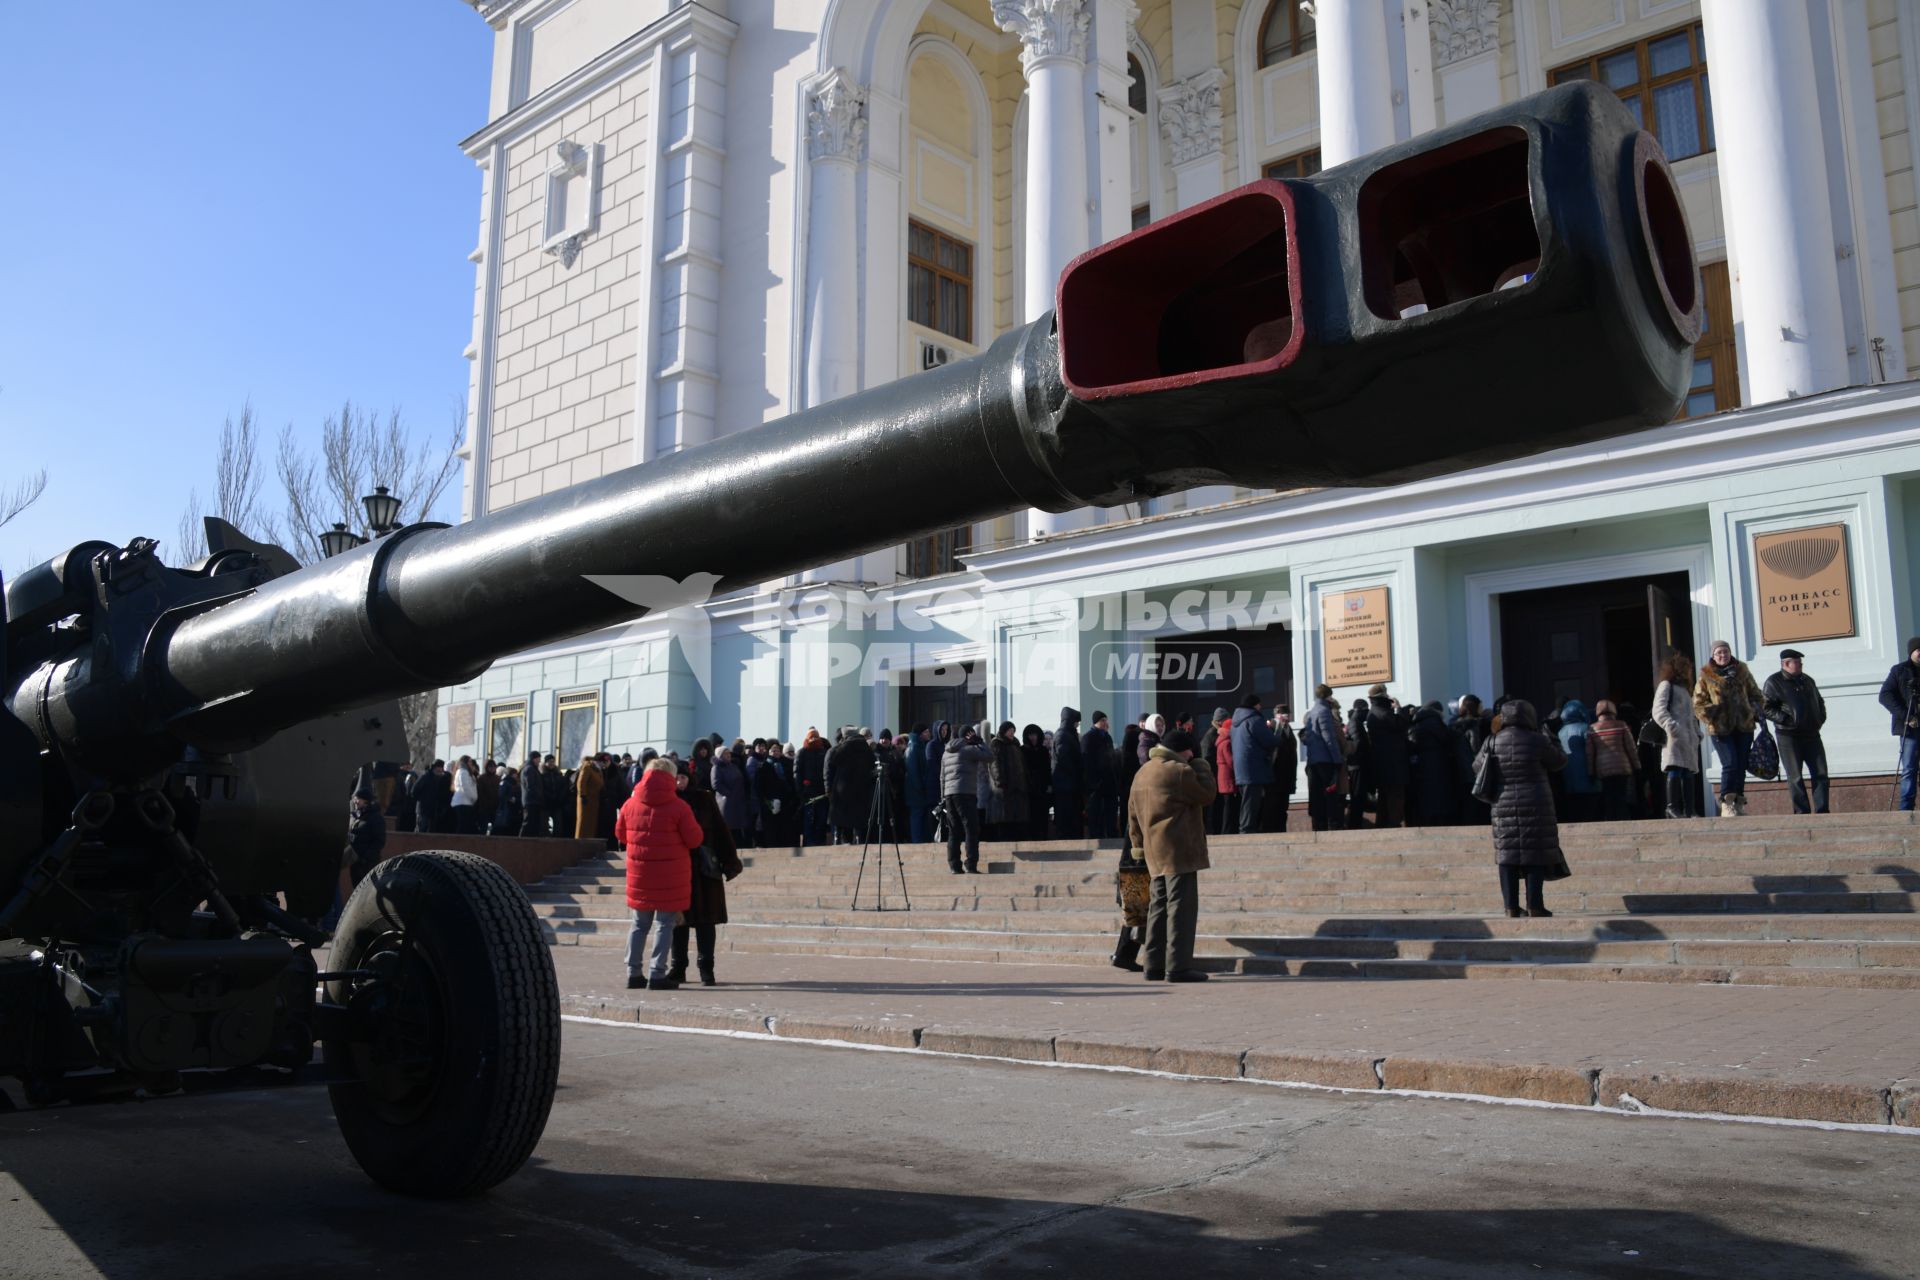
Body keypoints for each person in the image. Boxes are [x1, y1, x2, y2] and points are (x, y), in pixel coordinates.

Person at [1127, 728, 1215, 982]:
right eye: (1190, 752)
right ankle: (1178, 967)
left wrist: (1138, 845)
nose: (1191, 755)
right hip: (1179, 850)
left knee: (1158, 908)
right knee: (1181, 909)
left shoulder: (1142, 772)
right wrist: (1200, 764)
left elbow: (1132, 816)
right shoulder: (1179, 771)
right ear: (1181, 750)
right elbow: (1207, 794)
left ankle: (1152, 965)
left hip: (1154, 850)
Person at [615, 758, 703, 990]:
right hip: (670, 877)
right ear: (671, 778)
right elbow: (695, 840)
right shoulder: (679, 807)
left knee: (638, 924)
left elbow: (621, 835)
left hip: (640, 875)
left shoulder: (630, 804)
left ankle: (633, 973)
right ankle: (657, 973)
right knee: (665, 924)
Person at [1484, 698, 1567, 918]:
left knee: (1507, 856)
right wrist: (1553, 739)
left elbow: (1477, 766)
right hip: (1536, 803)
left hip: (1503, 805)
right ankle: (1535, 905)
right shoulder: (1537, 740)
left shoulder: (1492, 741)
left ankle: (1510, 907)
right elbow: (1558, 762)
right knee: (1535, 854)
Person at [667, 761, 744, 986]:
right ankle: (678, 967)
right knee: (678, 923)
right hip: (678, 871)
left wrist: (730, 861)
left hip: (704, 871)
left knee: (706, 923)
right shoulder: (668, 801)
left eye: (683, 777)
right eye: (675, 778)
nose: (679, 782)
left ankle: (706, 969)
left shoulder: (704, 798)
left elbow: (721, 831)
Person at [1693, 640, 1763, 817]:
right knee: (1730, 763)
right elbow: (1698, 704)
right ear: (1713, 656)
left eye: (1725, 652)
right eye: (1719, 653)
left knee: (1740, 765)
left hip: (1744, 726)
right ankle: (1726, 802)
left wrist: (1752, 710)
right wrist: (1713, 713)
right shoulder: (1706, 676)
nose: (1722, 656)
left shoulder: (1743, 671)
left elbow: (1756, 694)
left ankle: (1738, 801)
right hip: (1720, 728)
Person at [1755, 648, 1827, 815]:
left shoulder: (1807, 680)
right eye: (1797, 662)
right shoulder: (1774, 682)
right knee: (1795, 777)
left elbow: (1820, 701)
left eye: (1800, 662)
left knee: (1821, 774)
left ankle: (1823, 810)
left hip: (1812, 734)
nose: (1800, 665)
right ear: (1786, 664)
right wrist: (1786, 720)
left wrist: (1819, 718)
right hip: (1788, 736)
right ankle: (1802, 812)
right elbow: (1766, 707)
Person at [1652, 653, 1703, 818]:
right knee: (1674, 770)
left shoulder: (1685, 691)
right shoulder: (1666, 685)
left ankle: (1690, 809)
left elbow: (1691, 715)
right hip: (1674, 738)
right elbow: (1658, 710)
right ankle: (1672, 807)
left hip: (1688, 740)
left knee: (1688, 773)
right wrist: (1671, 727)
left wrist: (1697, 733)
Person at [940, 723, 993, 872]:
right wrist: (980, 742)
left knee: (954, 830)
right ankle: (970, 864)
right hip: (965, 793)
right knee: (971, 828)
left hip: (949, 794)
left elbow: (941, 777)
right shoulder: (969, 750)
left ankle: (954, 865)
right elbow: (990, 757)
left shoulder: (946, 751)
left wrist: (943, 796)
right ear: (968, 736)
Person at [332, 788, 386, 930]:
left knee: (368, 894)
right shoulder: (356, 816)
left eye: (358, 798)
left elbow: (379, 841)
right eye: (355, 798)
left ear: (366, 800)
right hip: (355, 862)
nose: (355, 801)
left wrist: (365, 857)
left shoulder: (375, 818)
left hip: (367, 863)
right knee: (357, 892)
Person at [1878, 638, 1920, 810]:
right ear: (1911, 652)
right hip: (1910, 729)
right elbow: (1885, 696)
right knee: (1909, 768)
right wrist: (1907, 716)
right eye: (1918, 650)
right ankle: (1906, 808)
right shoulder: (1900, 671)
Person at [1359, 686, 1409, 828]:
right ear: (1383, 696)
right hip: (1393, 763)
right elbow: (1401, 724)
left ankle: (1382, 824)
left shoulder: (1375, 712)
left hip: (1383, 762)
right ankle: (1394, 824)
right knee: (1395, 796)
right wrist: (1399, 708)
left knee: (1384, 797)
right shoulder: (1383, 713)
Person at [1229, 695, 1279, 834]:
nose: (1260, 707)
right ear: (1254, 705)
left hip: (1241, 768)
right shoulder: (1254, 720)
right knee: (1251, 802)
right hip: (1254, 767)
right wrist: (1275, 731)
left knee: (1246, 800)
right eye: (1259, 704)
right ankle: (1246, 830)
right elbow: (1270, 740)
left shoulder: (1235, 723)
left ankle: (1245, 828)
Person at [1408, 701, 1461, 827]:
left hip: (1421, 765)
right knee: (1439, 796)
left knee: (1426, 796)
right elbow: (1446, 739)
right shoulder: (1436, 723)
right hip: (1438, 763)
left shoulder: (1416, 722)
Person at [1301, 685, 1346, 832]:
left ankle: (1319, 826)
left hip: (1313, 760)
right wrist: (1337, 759)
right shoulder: (1324, 711)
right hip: (1326, 760)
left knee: (1317, 795)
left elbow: (1307, 738)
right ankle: (1332, 825)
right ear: (1328, 696)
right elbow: (1329, 738)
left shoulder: (1311, 712)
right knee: (1330, 794)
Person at [1586, 700, 1639, 821]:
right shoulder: (1622, 725)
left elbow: (1590, 754)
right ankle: (1624, 820)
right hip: (1622, 767)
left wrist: (1591, 772)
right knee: (1621, 797)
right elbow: (1631, 748)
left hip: (1603, 769)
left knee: (1609, 797)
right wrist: (1637, 766)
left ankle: (1611, 821)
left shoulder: (1592, 728)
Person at [825, 725, 876, 843]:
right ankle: (858, 840)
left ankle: (837, 840)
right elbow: (872, 766)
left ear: (844, 736)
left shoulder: (842, 747)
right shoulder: (866, 748)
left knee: (839, 821)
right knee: (857, 821)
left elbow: (833, 761)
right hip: (861, 790)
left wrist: (829, 788)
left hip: (842, 789)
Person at [1556, 701, 1599, 823]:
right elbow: (1591, 752)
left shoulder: (1560, 732)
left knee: (1574, 812)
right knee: (1589, 811)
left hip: (1567, 778)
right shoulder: (1586, 729)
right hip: (1586, 777)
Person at [987, 721, 1028, 842]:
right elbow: (994, 764)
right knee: (1004, 817)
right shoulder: (997, 744)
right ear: (1004, 731)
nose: (1012, 733)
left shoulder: (1015, 744)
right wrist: (999, 780)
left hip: (1017, 787)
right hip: (1004, 787)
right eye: (1010, 730)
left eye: (1013, 731)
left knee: (1016, 817)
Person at [1082, 712, 1118, 839]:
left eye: (1106, 720)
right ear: (1095, 722)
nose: (1106, 723)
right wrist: (1094, 783)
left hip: (1108, 783)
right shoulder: (1088, 738)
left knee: (1110, 814)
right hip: (1095, 785)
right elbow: (1087, 762)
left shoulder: (1107, 737)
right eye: (1102, 720)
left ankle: (1111, 836)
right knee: (1096, 816)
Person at [1262, 710, 1298, 831]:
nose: (1286, 718)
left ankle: (1281, 829)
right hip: (1274, 776)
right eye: (1283, 715)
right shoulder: (1271, 728)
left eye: (1287, 715)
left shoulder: (1288, 730)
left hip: (1286, 776)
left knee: (1282, 808)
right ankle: (1273, 830)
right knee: (1272, 807)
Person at [1051, 707, 1085, 838]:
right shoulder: (1063, 735)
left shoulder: (1067, 734)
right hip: (1065, 785)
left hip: (1068, 784)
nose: (1077, 724)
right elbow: (1064, 759)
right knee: (1067, 817)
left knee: (1072, 817)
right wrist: (1077, 771)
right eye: (1076, 721)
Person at [710, 746, 751, 847]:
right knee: (728, 827)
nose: (728, 755)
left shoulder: (733, 766)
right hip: (726, 803)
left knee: (738, 828)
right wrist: (729, 794)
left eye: (729, 753)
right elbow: (716, 784)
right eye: (725, 753)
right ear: (720, 755)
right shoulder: (716, 768)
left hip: (737, 801)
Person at [796, 730, 829, 844]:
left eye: (816, 737)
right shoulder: (802, 753)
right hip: (807, 794)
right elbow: (797, 774)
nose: (813, 739)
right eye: (811, 737)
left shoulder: (823, 752)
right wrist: (801, 792)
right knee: (808, 821)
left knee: (821, 820)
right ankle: (809, 844)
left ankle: (820, 842)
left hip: (821, 793)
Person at [1020, 723, 1052, 840]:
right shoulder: (1022, 750)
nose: (1033, 738)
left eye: (1035, 735)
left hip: (1042, 789)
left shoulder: (1043, 751)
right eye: (1030, 735)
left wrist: (1049, 785)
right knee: (1030, 817)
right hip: (1028, 790)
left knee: (1043, 816)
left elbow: (1047, 769)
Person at [903, 724, 932, 843]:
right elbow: (913, 771)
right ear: (920, 734)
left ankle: (923, 842)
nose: (928, 734)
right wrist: (921, 787)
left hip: (921, 790)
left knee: (923, 817)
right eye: (926, 732)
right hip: (916, 792)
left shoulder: (920, 746)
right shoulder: (913, 748)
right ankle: (917, 843)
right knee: (917, 817)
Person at [1212, 707, 1237, 835]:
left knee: (1227, 805)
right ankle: (1227, 831)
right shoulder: (1226, 742)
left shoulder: (1221, 740)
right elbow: (1231, 761)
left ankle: (1227, 830)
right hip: (1227, 778)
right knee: (1228, 806)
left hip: (1223, 778)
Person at [413, 759, 452, 835]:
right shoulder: (425, 777)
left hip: (433, 809)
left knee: (430, 831)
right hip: (423, 809)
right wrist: (423, 800)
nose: (441, 769)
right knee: (421, 829)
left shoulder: (440, 778)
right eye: (439, 767)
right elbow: (414, 791)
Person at [573, 755, 604, 841]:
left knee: (591, 823)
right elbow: (581, 782)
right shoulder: (587, 767)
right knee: (583, 823)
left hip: (593, 800)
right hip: (586, 800)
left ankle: (589, 842)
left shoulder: (597, 770)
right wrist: (583, 795)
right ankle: (579, 843)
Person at [450, 755, 480, 834]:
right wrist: (474, 798)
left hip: (465, 802)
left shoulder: (466, 772)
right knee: (463, 826)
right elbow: (466, 787)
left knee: (465, 826)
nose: (471, 763)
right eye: (469, 761)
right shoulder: (463, 772)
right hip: (463, 803)